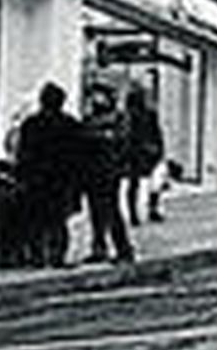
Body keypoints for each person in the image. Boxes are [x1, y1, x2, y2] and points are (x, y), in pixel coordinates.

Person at [15, 82, 83, 267]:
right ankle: (56, 256)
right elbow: (78, 157)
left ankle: (37, 257)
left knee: (36, 220)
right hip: (61, 179)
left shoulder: (31, 124)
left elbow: (23, 153)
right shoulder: (70, 124)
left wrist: (21, 177)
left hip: (37, 179)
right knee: (57, 221)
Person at [82, 83, 135, 264]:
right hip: (92, 170)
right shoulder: (90, 119)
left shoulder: (118, 118)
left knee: (111, 210)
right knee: (96, 211)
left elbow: (121, 142)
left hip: (109, 170)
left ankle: (123, 249)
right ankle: (99, 247)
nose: (95, 100)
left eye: (99, 96)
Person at [122, 86, 166, 224]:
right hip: (139, 152)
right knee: (149, 183)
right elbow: (157, 133)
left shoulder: (131, 116)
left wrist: (159, 148)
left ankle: (139, 213)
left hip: (140, 152)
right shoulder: (131, 116)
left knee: (146, 183)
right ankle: (142, 212)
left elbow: (157, 132)